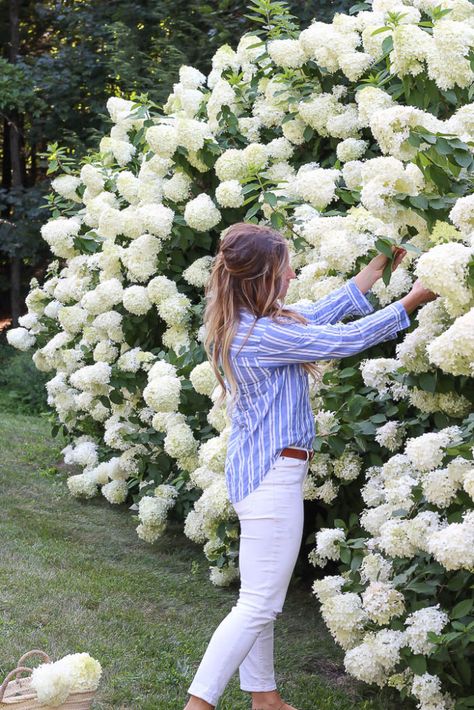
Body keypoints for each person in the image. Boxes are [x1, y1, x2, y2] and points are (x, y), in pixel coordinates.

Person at [184, 222, 436, 710]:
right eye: (285, 269)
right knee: (258, 604)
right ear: (261, 277)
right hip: (272, 477)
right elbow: (338, 341)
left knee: (259, 598)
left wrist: (376, 268)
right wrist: (411, 302)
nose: (293, 274)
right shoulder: (256, 335)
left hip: (261, 474)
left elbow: (320, 313)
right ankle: (199, 705)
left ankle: (266, 701)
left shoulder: (250, 321)